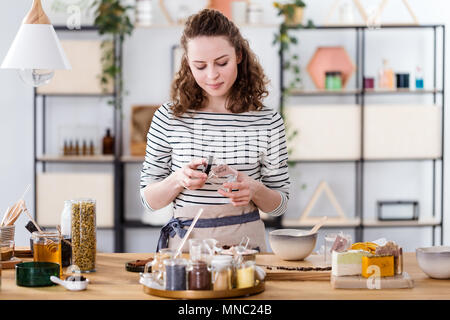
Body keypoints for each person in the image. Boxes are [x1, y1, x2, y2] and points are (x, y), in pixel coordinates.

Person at [140, 9, 290, 252]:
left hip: (246, 251)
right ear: (188, 63)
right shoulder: (168, 117)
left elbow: (280, 205)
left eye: (222, 63)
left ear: (239, 55)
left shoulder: (267, 121)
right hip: (187, 251)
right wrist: (179, 179)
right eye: (200, 66)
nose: (212, 75)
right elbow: (149, 201)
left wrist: (254, 188)